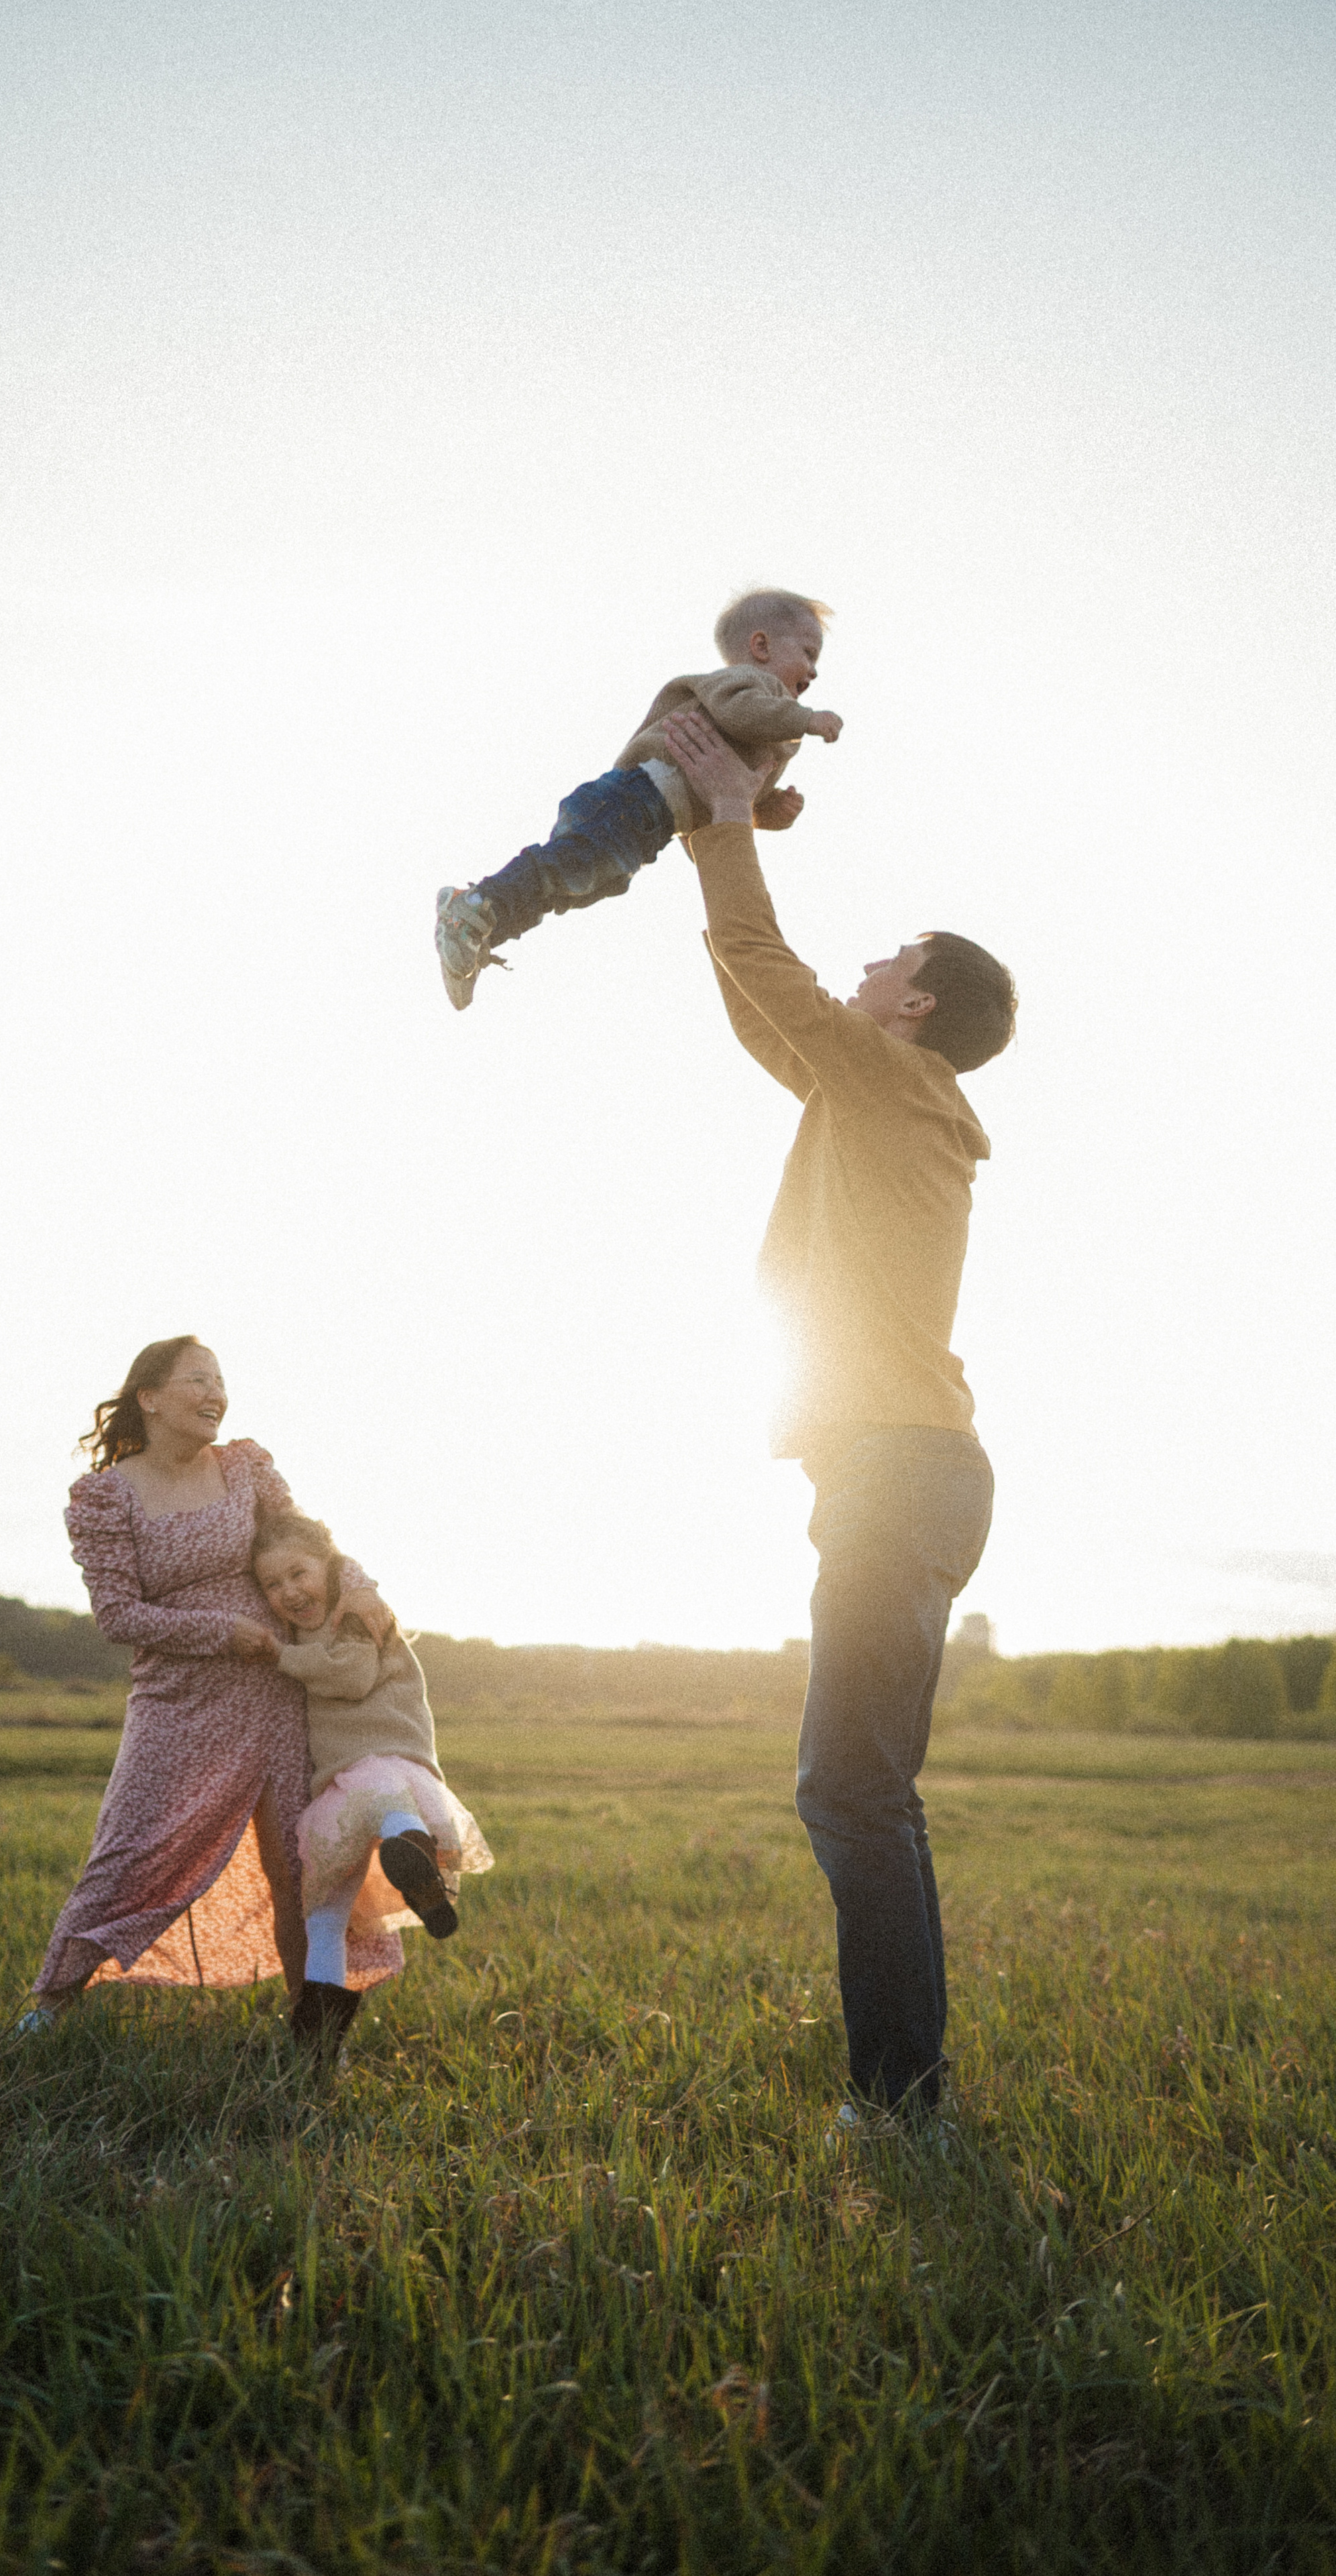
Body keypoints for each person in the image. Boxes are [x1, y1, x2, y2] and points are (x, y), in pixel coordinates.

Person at [663, 702, 1016, 2127]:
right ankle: (906, 2083)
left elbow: (769, 970)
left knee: (850, 1792)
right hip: (912, 1467)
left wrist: (724, 823)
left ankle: (898, 2096)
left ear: (916, 1003)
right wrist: (707, 840)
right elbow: (764, 1006)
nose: (871, 960)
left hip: (895, 1469)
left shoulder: (889, 1078)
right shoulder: (885, 1096)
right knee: (872, 1790)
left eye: (895, 955)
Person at [20, 1335, 399, 2037]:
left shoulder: (245, 1465)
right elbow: (119, 1614)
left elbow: (309, 1541)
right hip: (178, 1703)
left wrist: (363, 1584)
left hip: (279, 1694)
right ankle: (48, 2006)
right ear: (150, 1396)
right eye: (198, 1379)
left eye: (221, 1380)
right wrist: (221, 1633)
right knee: (128, 1853)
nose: (216, 1393)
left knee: (301, 1861)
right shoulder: (104, 1496)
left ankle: (314, 2025)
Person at [434, 587, 841, 1009]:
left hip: (651, 818)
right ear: (761, 646)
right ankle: (473, 907)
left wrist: (765, 812)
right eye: (809, 653)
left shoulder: (766, 720)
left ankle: (482, 928)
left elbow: (730, 795)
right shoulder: (750, 687)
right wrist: (808, 719)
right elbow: (743, 712)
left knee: (579, 883)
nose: (814, 671)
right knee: (573, 868)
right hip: (638, 797)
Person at [231, 1511, 493, 2052]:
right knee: (324, 1912)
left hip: (388, 1763)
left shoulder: (356, 1615)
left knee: (382, 1794)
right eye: (273, 1585)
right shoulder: (302, 1628)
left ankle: (412, 1851)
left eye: (299, 1574)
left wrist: (280, 1656)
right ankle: (319, 2039)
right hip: (342, 1788)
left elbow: (351, 1677)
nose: (289, 1592)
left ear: (332, 1567)